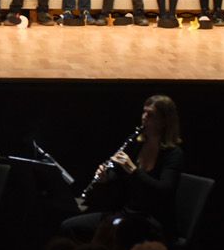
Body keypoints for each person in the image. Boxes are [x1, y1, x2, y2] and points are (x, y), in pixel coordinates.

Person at [60, 94, 185, 241]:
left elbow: (164, 191)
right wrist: (106, 177)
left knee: (111, 235)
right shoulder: (136, 144)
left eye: (150, 115)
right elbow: (117, 174)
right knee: (69, 226)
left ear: (164, 121)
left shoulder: (173, 154)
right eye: (144, 112)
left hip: (153, 220)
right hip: (127, 215)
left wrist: (134, 171)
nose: (144, 117)